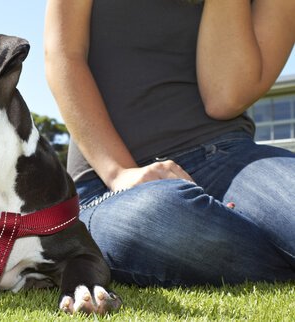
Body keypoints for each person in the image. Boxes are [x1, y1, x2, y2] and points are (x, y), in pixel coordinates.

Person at [44, 0, 295, 286]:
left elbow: (223, 98)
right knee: (153, 217)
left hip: (230, 157)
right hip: (111, 181)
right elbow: (63, 55)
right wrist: (119, 173)